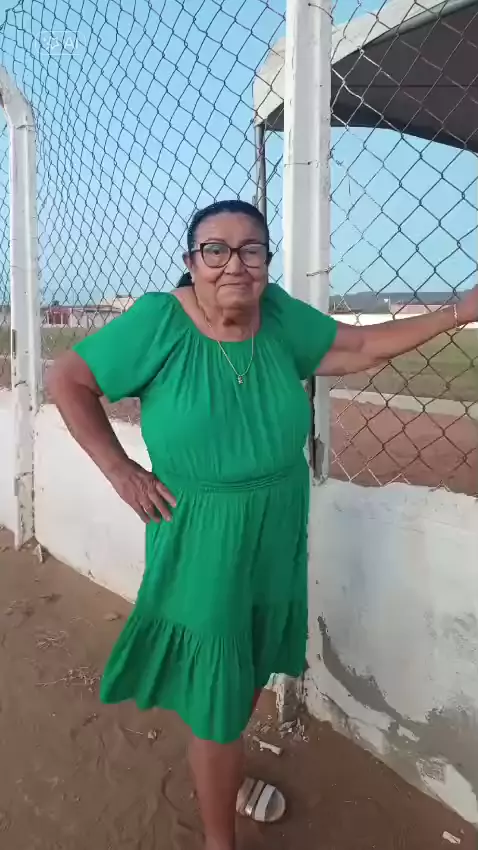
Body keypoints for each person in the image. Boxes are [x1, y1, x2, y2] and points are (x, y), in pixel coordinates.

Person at [48, 198, 478, 850]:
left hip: (276, 526)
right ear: (192, 261)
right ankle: (220, 835)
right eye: (215, 250)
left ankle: (223, 771)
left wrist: (460, 312)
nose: (235, 264)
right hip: (200, 532)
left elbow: (361, 346)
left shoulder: (277, 315)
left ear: (266, 261)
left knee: (247, 669)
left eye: (251, 249)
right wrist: (119, 470)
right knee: (218, 687)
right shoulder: (160, 320)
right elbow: (68, 378)